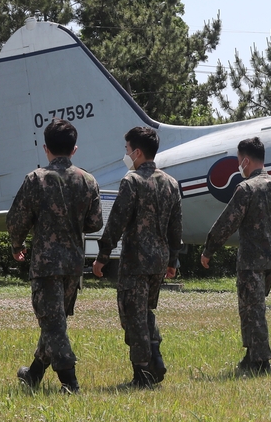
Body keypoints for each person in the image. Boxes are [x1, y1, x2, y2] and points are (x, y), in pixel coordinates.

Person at [7, 118, 102, 394]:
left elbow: (16, 220)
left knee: (53, 324)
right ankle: (34, 374)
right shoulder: (88, 180)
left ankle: (69, 384)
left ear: (46, 148)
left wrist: (16, 246)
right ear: (74, 149)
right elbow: (95, 223)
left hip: (46, 264)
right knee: (54, 321)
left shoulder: (36, 179)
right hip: (73, 264)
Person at [92, 126, 182, 388]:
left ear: (138, 152)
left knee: (132, 316)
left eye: (127, 149)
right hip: (158, 262)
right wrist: (172, 260)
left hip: (135, 262)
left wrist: (103, 254)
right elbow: (176, 227)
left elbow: (117, 220)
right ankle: (155, 355)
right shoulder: (171, 183)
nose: (126, 154)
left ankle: (142, 374)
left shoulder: (131, 181)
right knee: (145, 312)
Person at [201, 137, 271, 375]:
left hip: (251, 262)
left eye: (238, 160)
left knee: (252, 311)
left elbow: (227, 222)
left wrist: (209, 249)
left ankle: (261, 362)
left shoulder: (246, 189)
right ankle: (250, 355)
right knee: (254, 309)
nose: (238, 166)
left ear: (245, 160)